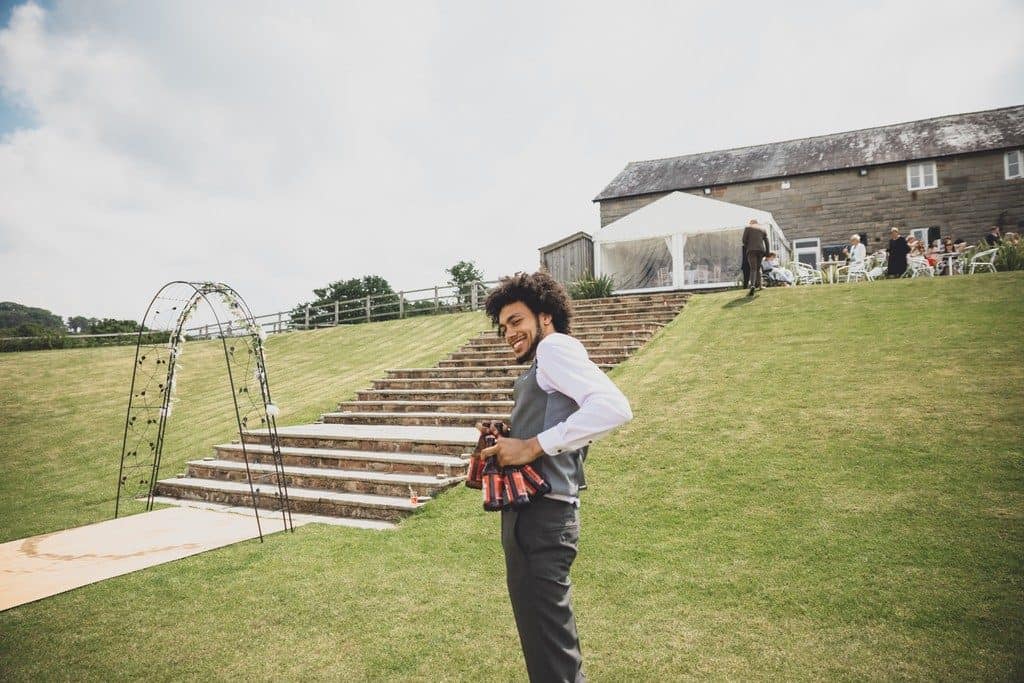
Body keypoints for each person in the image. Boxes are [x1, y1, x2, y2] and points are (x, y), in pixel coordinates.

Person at [480, 271, 632, 683]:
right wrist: (514, 440)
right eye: (503, 327)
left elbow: (614, 407)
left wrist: (531, 447)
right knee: (546, 656)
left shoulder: (555, 349)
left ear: (545, 316)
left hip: (543, 518)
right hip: (532, 517)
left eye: (516, 321)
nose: (509, 333)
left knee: (555, 664)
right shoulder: (544, 363)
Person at [742, 218, 770, 296]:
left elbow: (744, 240)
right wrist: (767, 253)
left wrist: (748, 246)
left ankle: (752, 286)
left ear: (751, 223)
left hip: (751, 250)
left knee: (753, 269)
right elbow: (767, 241)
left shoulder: (748, 228)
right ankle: (760, 286)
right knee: (758, 268)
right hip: (761, 250)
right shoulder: (763, 229)